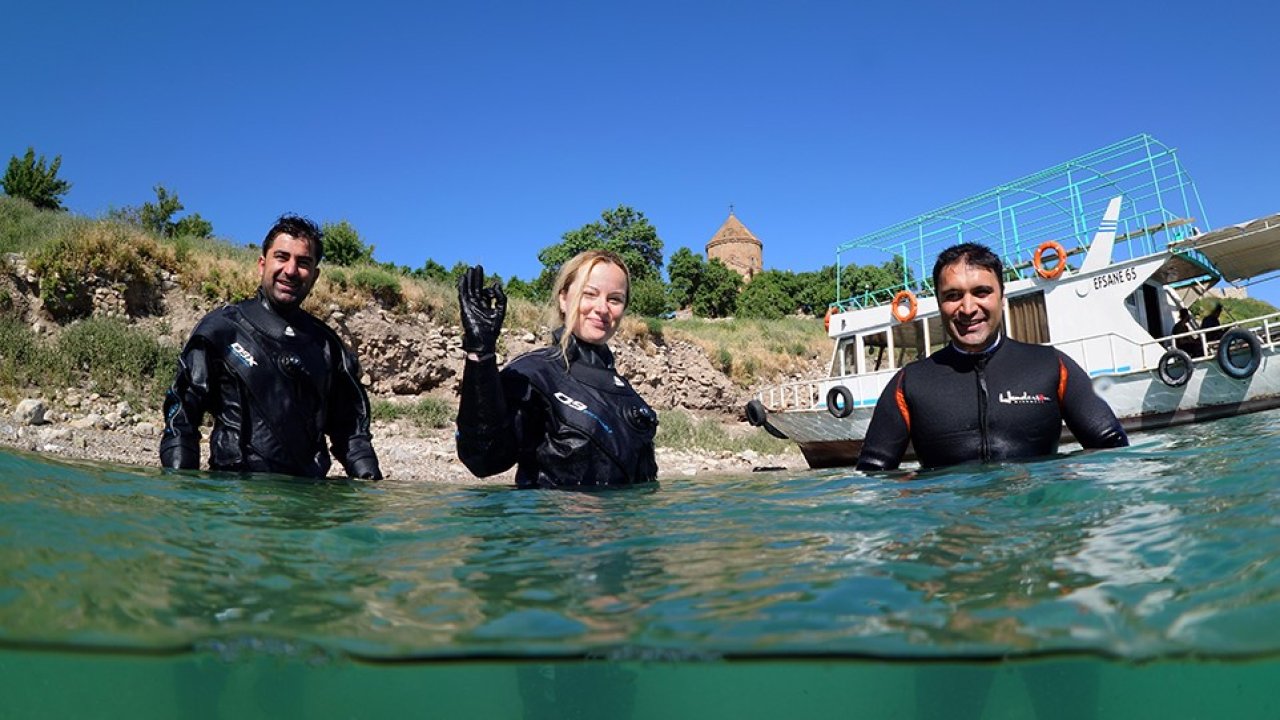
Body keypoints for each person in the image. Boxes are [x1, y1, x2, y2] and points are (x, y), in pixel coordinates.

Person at [856, 242, 1129, 472]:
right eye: (953, 295)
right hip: (953, 531)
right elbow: (873, 475)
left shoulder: (1051, 366)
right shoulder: (910, 383)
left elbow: (1112, 447)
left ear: (1001, 297)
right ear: (939, 304)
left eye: (981, 292)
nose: (967, 308)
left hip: (1039, 522)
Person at [159, 214, 381, 480]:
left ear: (315, 275)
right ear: (262, 264)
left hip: (306, 501)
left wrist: (369, 484)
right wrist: (180, 486)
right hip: (234, 503)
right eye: (282, 257)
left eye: (303, 262)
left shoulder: (327, 346)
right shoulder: (222, 329)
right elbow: (181, 415)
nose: (290, 270)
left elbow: (351, 429)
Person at [455, 250, 658, 488]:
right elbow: (483, 460)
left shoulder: (625, 392)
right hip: (556, 524)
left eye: (614, 299)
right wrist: (481, 354)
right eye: (589, 294)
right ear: (564, 298)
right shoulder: (535, 373)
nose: (602, 308)